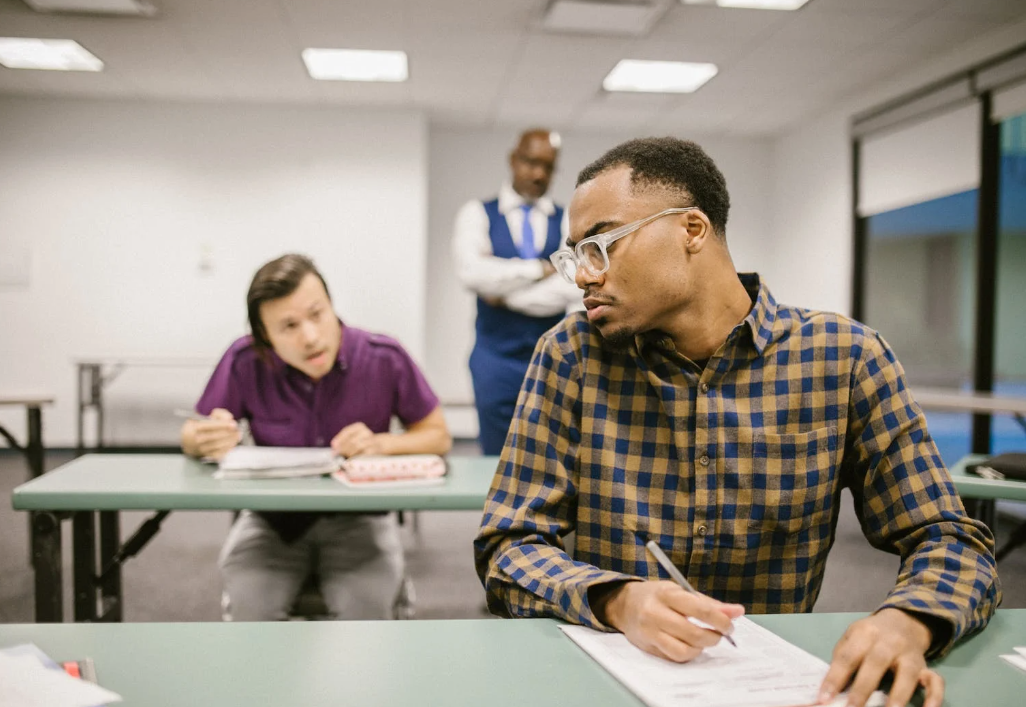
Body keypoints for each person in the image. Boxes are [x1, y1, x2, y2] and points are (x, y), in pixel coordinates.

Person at [474, 137, 1001, 707]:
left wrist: (908, 622)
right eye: (574, 255)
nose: (582, 276)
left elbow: (948, 536)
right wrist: (616, 600)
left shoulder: (844, 358)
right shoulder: (571, 355)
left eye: (600, 245)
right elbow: (508, 544)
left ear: (692, 230)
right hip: (610, 683)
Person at [181, 253, 451, 621]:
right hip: (271, 519)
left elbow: (437, 435)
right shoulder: (245, 359)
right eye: (288, 326)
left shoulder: (382, 356)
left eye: (317, 314)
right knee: (249, 613)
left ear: (331, 306)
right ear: (264, 337)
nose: (310, 337)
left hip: (361, 519)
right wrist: (205, 438)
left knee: (368, 621)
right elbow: (191, 433)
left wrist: (382, 444)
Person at [452, 128, 581, 455]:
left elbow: (572, 283)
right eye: (531, 162)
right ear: (513, 160)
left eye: (548, 166)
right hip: (493, 361)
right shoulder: (477, 213)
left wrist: (504, 291)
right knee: (496, 459)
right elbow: (472, 274)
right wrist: (539, 269)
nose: (538, 174)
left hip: (552, 359)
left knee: (550, 455)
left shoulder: (569, 218)